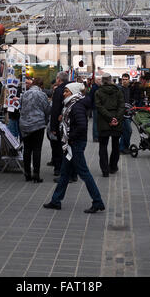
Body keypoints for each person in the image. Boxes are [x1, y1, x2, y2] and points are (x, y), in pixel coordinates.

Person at [43, 83, 105, 213]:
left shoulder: (76, 106)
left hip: (75, 144)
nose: (64, 94)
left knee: (84, 173)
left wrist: (70, 137)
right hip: (72, 143)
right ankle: (56, 201)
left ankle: (97, 201)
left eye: (66, 91)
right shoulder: (72, 104)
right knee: (65, 173)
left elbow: (82, 125)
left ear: (73, 92)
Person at [19, 77, 50, 183]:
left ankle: (27, 173)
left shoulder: (24, 94)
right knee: (37, 149)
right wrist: (45, 121)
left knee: (27, 149)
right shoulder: (42, 95)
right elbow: (47, 110)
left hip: (25, 125)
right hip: (38, 125)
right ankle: (36, 174)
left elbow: (20, 107)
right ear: (41, 86)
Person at [95, 73, 125, 176]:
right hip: (117, 121)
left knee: (103, 146)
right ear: (111, 80)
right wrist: (116, 118)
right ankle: (113, 167)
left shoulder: (98, 92)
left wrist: (109, 118)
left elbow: (99, 107)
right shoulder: (118, 91)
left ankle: (105, 170)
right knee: (115, 145)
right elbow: (122, 106)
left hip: (103, 121)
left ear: (102, 81)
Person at [50, 71, 69, 176]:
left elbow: (55, 110)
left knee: (58, 147)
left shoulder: (59, 91)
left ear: (58, 79)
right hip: (70, 123)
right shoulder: (71, 89)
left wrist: (53, 126)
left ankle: (59, 169)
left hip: (60, 123)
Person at [118, 73, 133, 155]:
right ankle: (124, 147)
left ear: (129, 80)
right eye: (123, 79)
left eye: (126, 79)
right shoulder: (119, 89)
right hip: (122, 114)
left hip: (129, 113)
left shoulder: (129, 89)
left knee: (125, 131)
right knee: (128, 130)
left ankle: (122, 148)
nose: (124, 81)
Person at [89, 77, 101, 142]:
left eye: (100, 79)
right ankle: (95, 137)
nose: (100, 81)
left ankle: (98, 136)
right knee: (95, 122)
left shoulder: (100, 87)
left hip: (99, 107)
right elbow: (90, 97)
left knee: (98, 122)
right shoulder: (94, 88)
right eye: (99, 79)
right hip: (95, 107)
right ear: (96, 81)